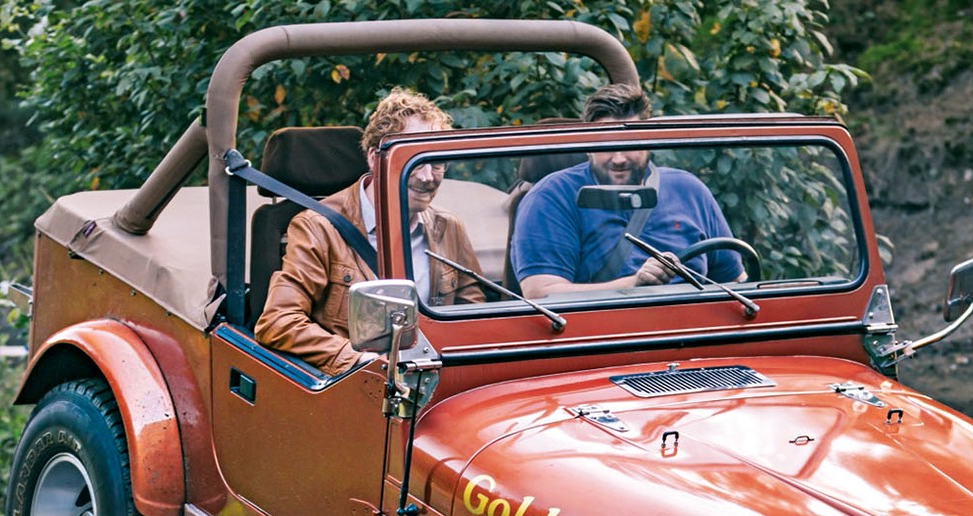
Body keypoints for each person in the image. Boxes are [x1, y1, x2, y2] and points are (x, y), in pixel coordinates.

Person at [254, 88, 485, 374]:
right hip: (358, 386)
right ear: (376, 159)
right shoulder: (318, 228)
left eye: (437, 163)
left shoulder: (448, 228)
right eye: (414, 161)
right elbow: (278, 322)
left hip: (430, 381)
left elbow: (473, 316)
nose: (428, 177)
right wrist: (354, 358)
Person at [509, 83, 744, 300]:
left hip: (699, 332)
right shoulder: (551, 198)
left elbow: (736, 282)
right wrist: (633, 284)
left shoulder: (689, 190)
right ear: (587, 147)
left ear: (649, 142)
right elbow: (541, 293)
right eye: (606, 146)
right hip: (603, 336)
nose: (619, 159)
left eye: (630, 144)